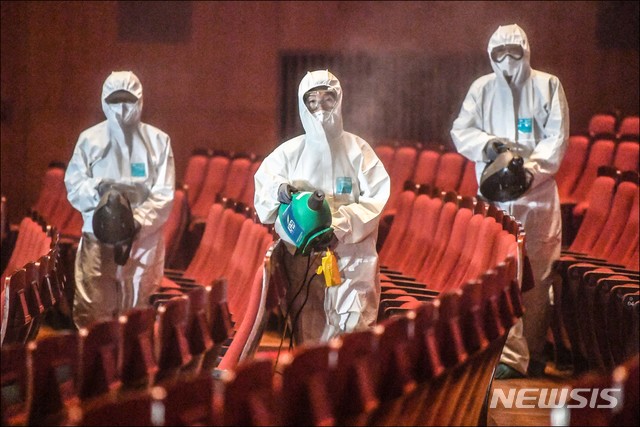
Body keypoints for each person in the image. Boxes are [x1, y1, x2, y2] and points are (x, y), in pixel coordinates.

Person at [450, 24, 569, 378]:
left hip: (538, 199)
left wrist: (527, 171)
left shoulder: (547, 85)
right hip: (496, 199)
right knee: (505, 278)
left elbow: (556, 137)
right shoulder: (482, 89)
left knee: (540, 278)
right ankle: (509, 356)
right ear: (490, 55)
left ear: (525, 52)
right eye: (498, 53)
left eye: (512, 52)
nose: (506, 60)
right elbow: (461, 129)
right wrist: (487, 146)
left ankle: (533, 353)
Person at [254, 69, 390, 346]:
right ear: (302, 105)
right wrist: (279, 191)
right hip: (303, 260)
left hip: (352, 258)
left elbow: (375, 200)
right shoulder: (289, 152)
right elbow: (265, 191)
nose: (320, 108)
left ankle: (349, 389)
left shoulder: (358, 150)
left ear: (338, 100)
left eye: (327, 99)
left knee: (353, 331)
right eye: (312, 101)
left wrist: (338, 228)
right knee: (310, 331)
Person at [65, 71, 175, 329]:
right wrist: (99, 194)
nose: (122, 107)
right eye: (115, 100)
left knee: (137, 315)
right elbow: (74, 183)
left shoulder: (157, 141)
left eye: (129, 99)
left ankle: (133, 368)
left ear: (140, 100)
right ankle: (95, 368)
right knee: (93, 313)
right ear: (104, 100)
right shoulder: (90, 140)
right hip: (97, 237)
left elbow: (164, 193)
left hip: (142, 242)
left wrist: (135, 222)